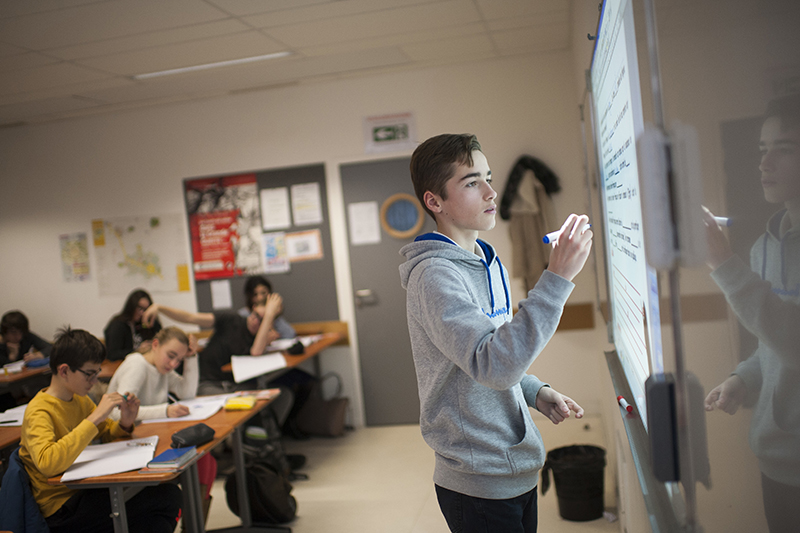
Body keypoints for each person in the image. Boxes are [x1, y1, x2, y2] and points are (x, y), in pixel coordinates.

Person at [399, 133, 593, 533]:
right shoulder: (435, 276)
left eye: (488, 177)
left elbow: (495, 353)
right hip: (478, 478)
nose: (491, 192)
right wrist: (556, 278)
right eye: (471, 183)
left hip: (514, 466)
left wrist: (533, 390)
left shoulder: (488, 260)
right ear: (434, 202)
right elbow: (493, 365)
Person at [703, 94, 800, 533]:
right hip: (774, 461)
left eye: (784, 148)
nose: (766, 163)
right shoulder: (765, 245)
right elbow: (772, 348)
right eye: (763, 150)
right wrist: (743, 378)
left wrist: (725, 266)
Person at [18, 327, 182, 533]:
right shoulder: (39, 410)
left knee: (157, 507)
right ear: (64, 370)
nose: (94, 381)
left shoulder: (79, 399)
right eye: (89, 374)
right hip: (61, 508)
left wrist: (125, 422)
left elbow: (106, 431)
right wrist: (95, 417)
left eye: (97, 373)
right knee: (166, 497)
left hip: (85, 488)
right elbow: (48, 463)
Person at [106, 326, 216, 524]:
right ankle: (193, 525)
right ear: (155, 345)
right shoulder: (138, 366)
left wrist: (191, 358)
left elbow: (187, 392)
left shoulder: (160, 368)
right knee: (199, 461)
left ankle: (194, 526)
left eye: (179, 360)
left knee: (206, 459)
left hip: (150, 436)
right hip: (126, 442)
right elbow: (116, 412)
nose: (173, 364)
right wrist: (164, 410)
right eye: (171, 356)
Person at [141, 295, 292, 418]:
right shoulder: (232, 320)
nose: (254, 321)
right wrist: (160, 308)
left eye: (262, 320)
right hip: (208, 382)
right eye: (255, 315)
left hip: (232, 386)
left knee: (280, 397)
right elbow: (191, 317)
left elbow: (256, 350)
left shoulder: (264, 336)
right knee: (240, 409)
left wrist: (269, 317)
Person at [104, 289, 162, 361]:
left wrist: (152, 320)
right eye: (140, 308)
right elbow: (113, 354)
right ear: (132, 307)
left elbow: (161, 339)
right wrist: (137, 350)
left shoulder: (146, 322)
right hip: (125, 363)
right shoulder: (118, 325)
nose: (142, 313)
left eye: (145, 310)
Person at [237, 276, 296, 340]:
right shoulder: (242, 315)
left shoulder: (274, 312)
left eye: (263, 293)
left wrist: (274, 316)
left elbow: (290, 334)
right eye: (255, 294)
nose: (260, 298)